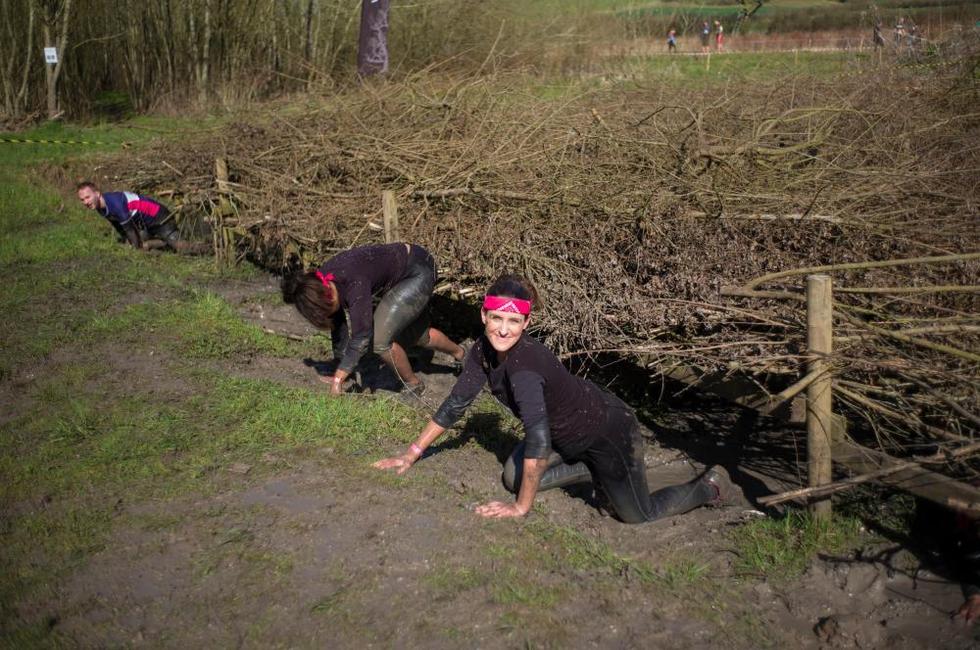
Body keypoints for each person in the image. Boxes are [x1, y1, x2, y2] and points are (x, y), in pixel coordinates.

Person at [374, 274, 736, 522]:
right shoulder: (480, 354)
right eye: (497, 318)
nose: (503, 329)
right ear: (483, 314)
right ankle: (590, 471)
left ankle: (709, 487)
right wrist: (411, 454)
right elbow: (455, 405)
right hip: (566, 435)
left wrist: (520, 509)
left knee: (636, 517)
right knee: (514, 475)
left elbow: (538, 439)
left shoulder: (526, 368)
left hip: (607, 431)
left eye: (513, 323)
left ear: (526, 324)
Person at [281, 242, 465, 396]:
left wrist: (338, 377)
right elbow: (338, 327)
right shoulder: (322, 283)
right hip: (403, 275)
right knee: (419, 335)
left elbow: (362, 335)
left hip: (418, 271)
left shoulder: (354, 282)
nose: (328, 313)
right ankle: (460, 354)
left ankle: (414, 385)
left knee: (380, 341)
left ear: (328, 294)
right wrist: (343, 368)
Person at [76, 181, 196, 252]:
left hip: (159, 216)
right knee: (138, 241)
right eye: (82, 200)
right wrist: (127, 240)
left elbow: (129, 229)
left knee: (180, 247)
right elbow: (117, 224)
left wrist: (136, 249)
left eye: (88, 197)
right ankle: (157, 243)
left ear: (97, 194)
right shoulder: (99, 206)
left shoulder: (114, 203)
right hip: (146, 223)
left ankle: (209, 248)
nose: (86, 202)